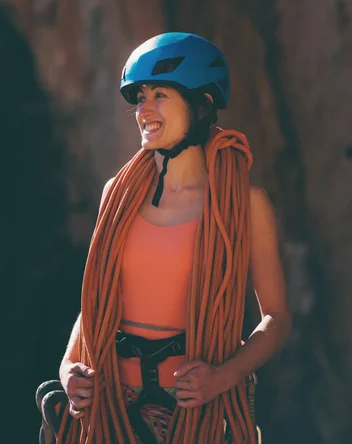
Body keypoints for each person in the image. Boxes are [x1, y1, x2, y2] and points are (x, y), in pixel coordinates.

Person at [55, 32, 291, 444]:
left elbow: (276, 318)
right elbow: (96, 300)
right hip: (111, 399)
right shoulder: (118, 194)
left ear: (201, 105)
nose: (143, 109)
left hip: (195, 403)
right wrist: (68, 368)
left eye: (160, 94)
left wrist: (222, 377)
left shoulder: (244, 203)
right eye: (140, 96)